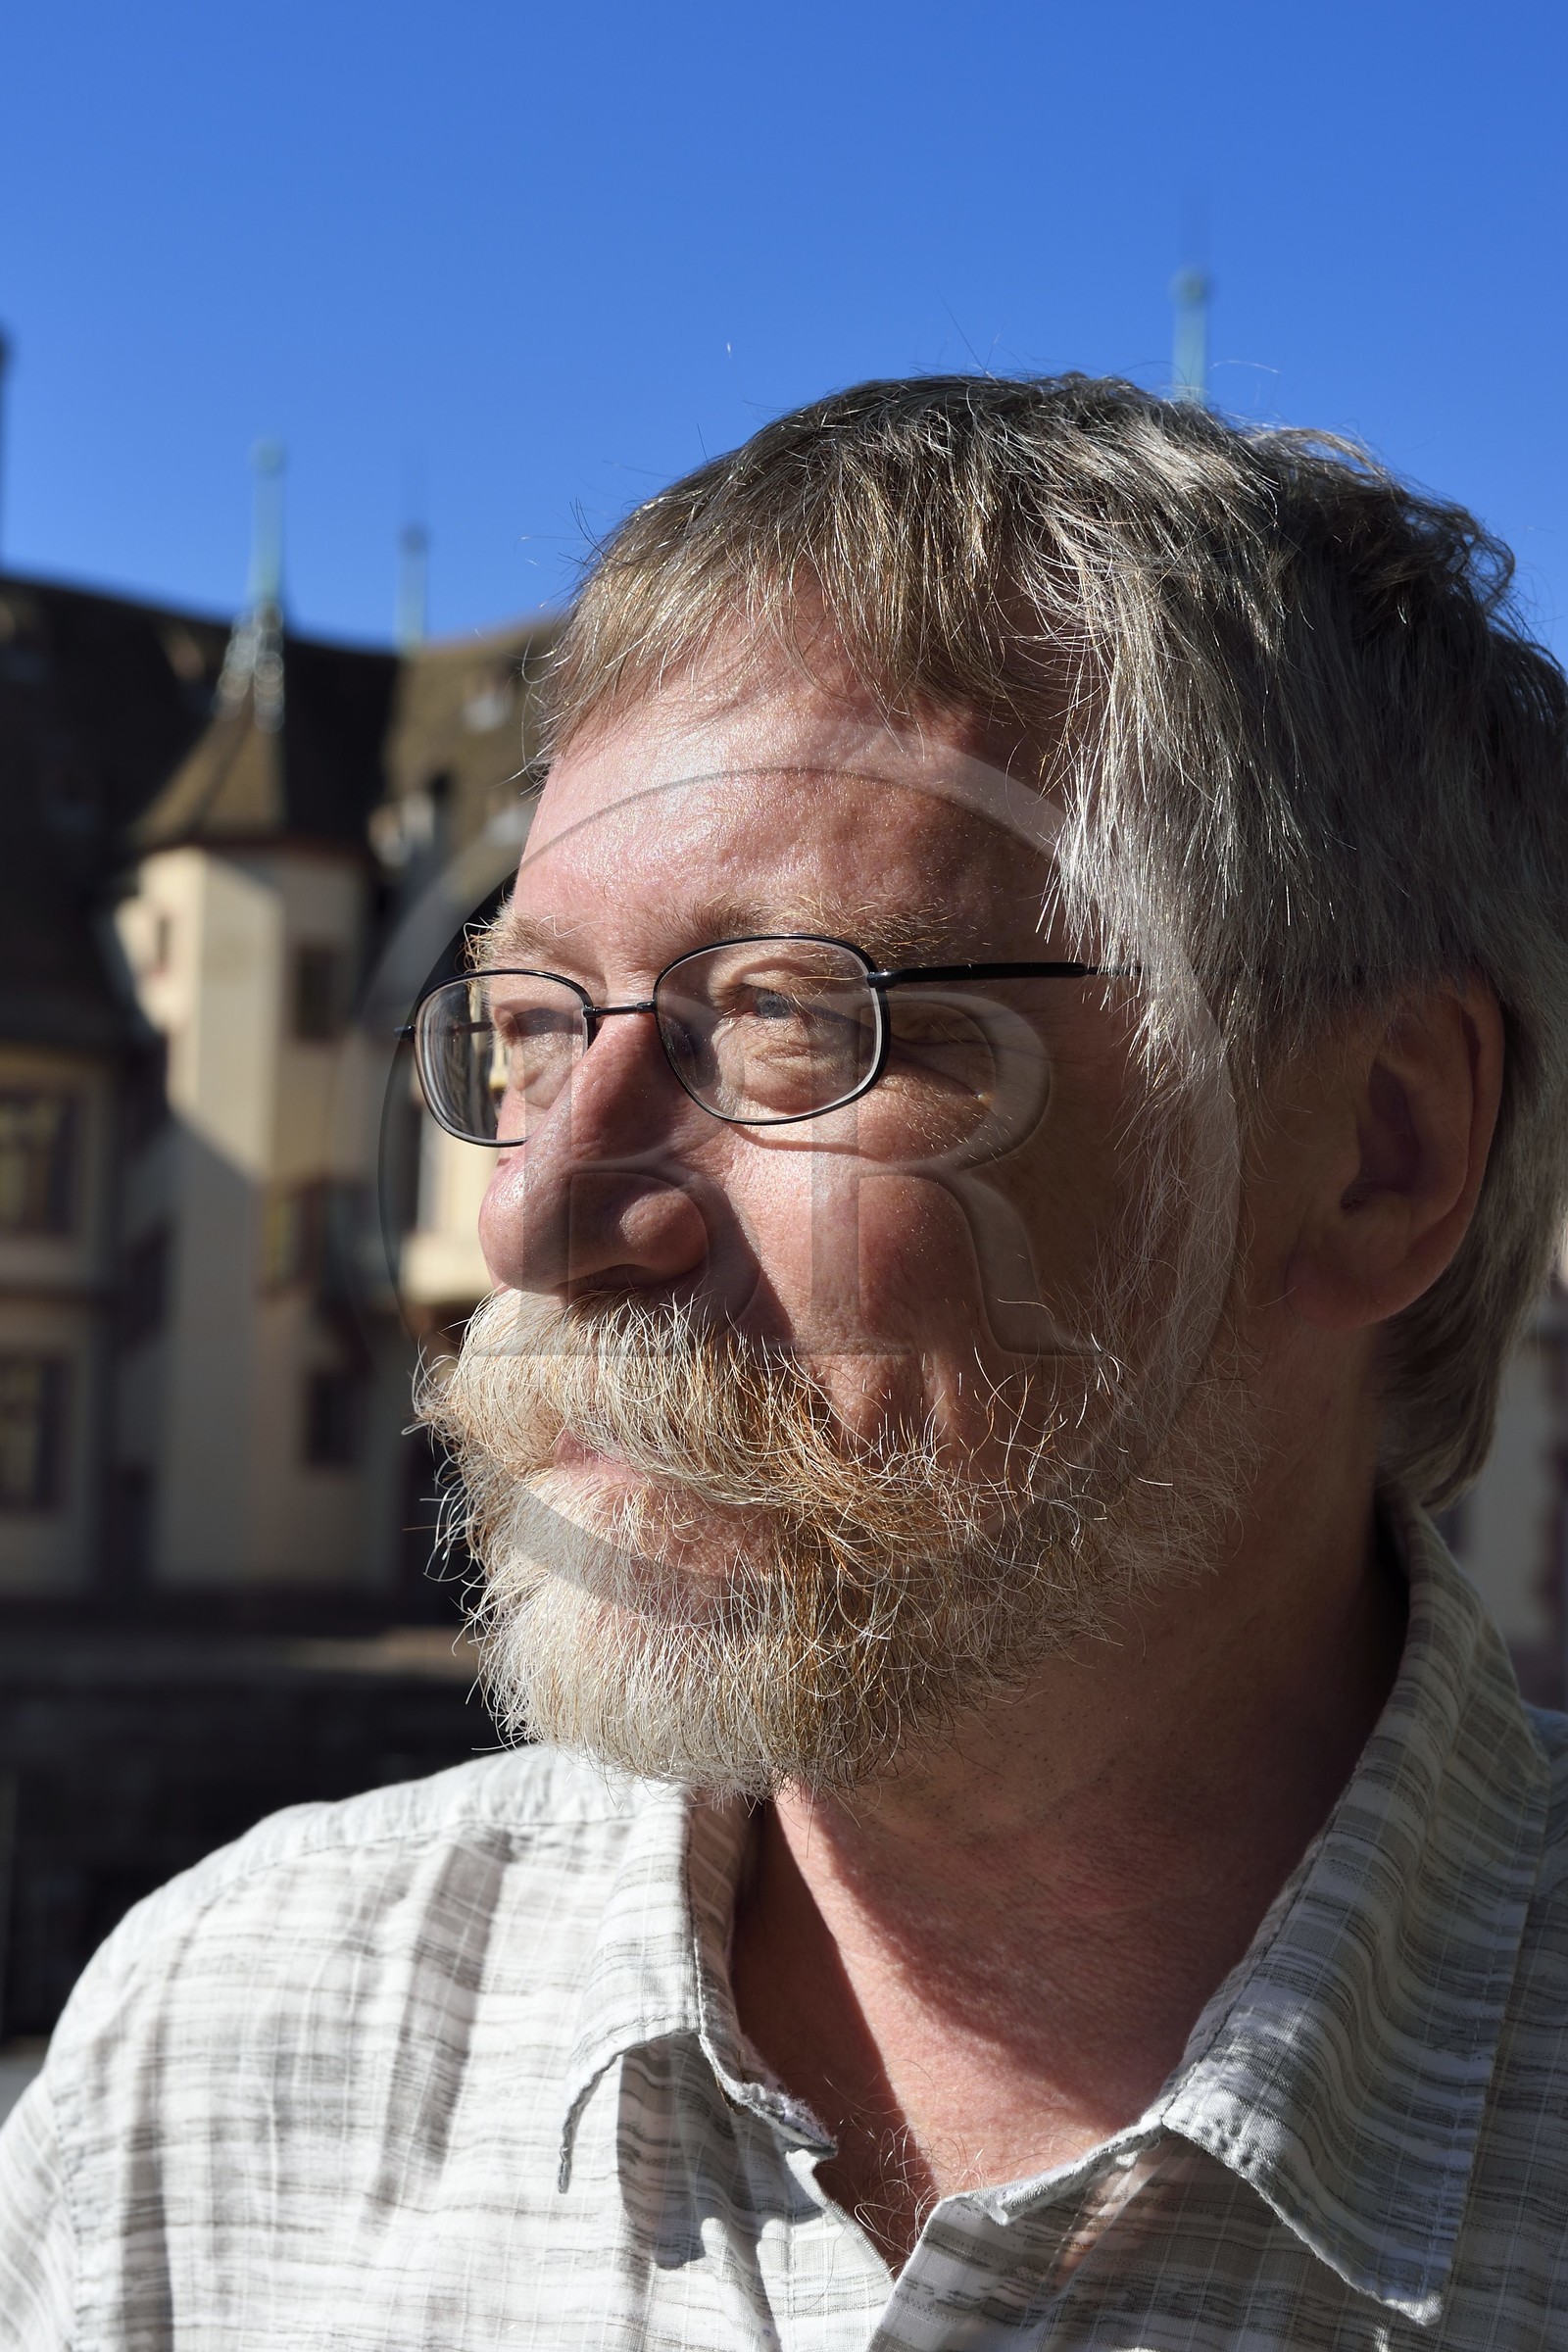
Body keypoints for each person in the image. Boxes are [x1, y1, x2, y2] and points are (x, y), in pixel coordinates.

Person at [4, 374, 1568, 2350]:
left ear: (1376, 1150)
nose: (533, 1216)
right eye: (528, 1026)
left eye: (785, 1017)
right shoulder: (216, 2065)